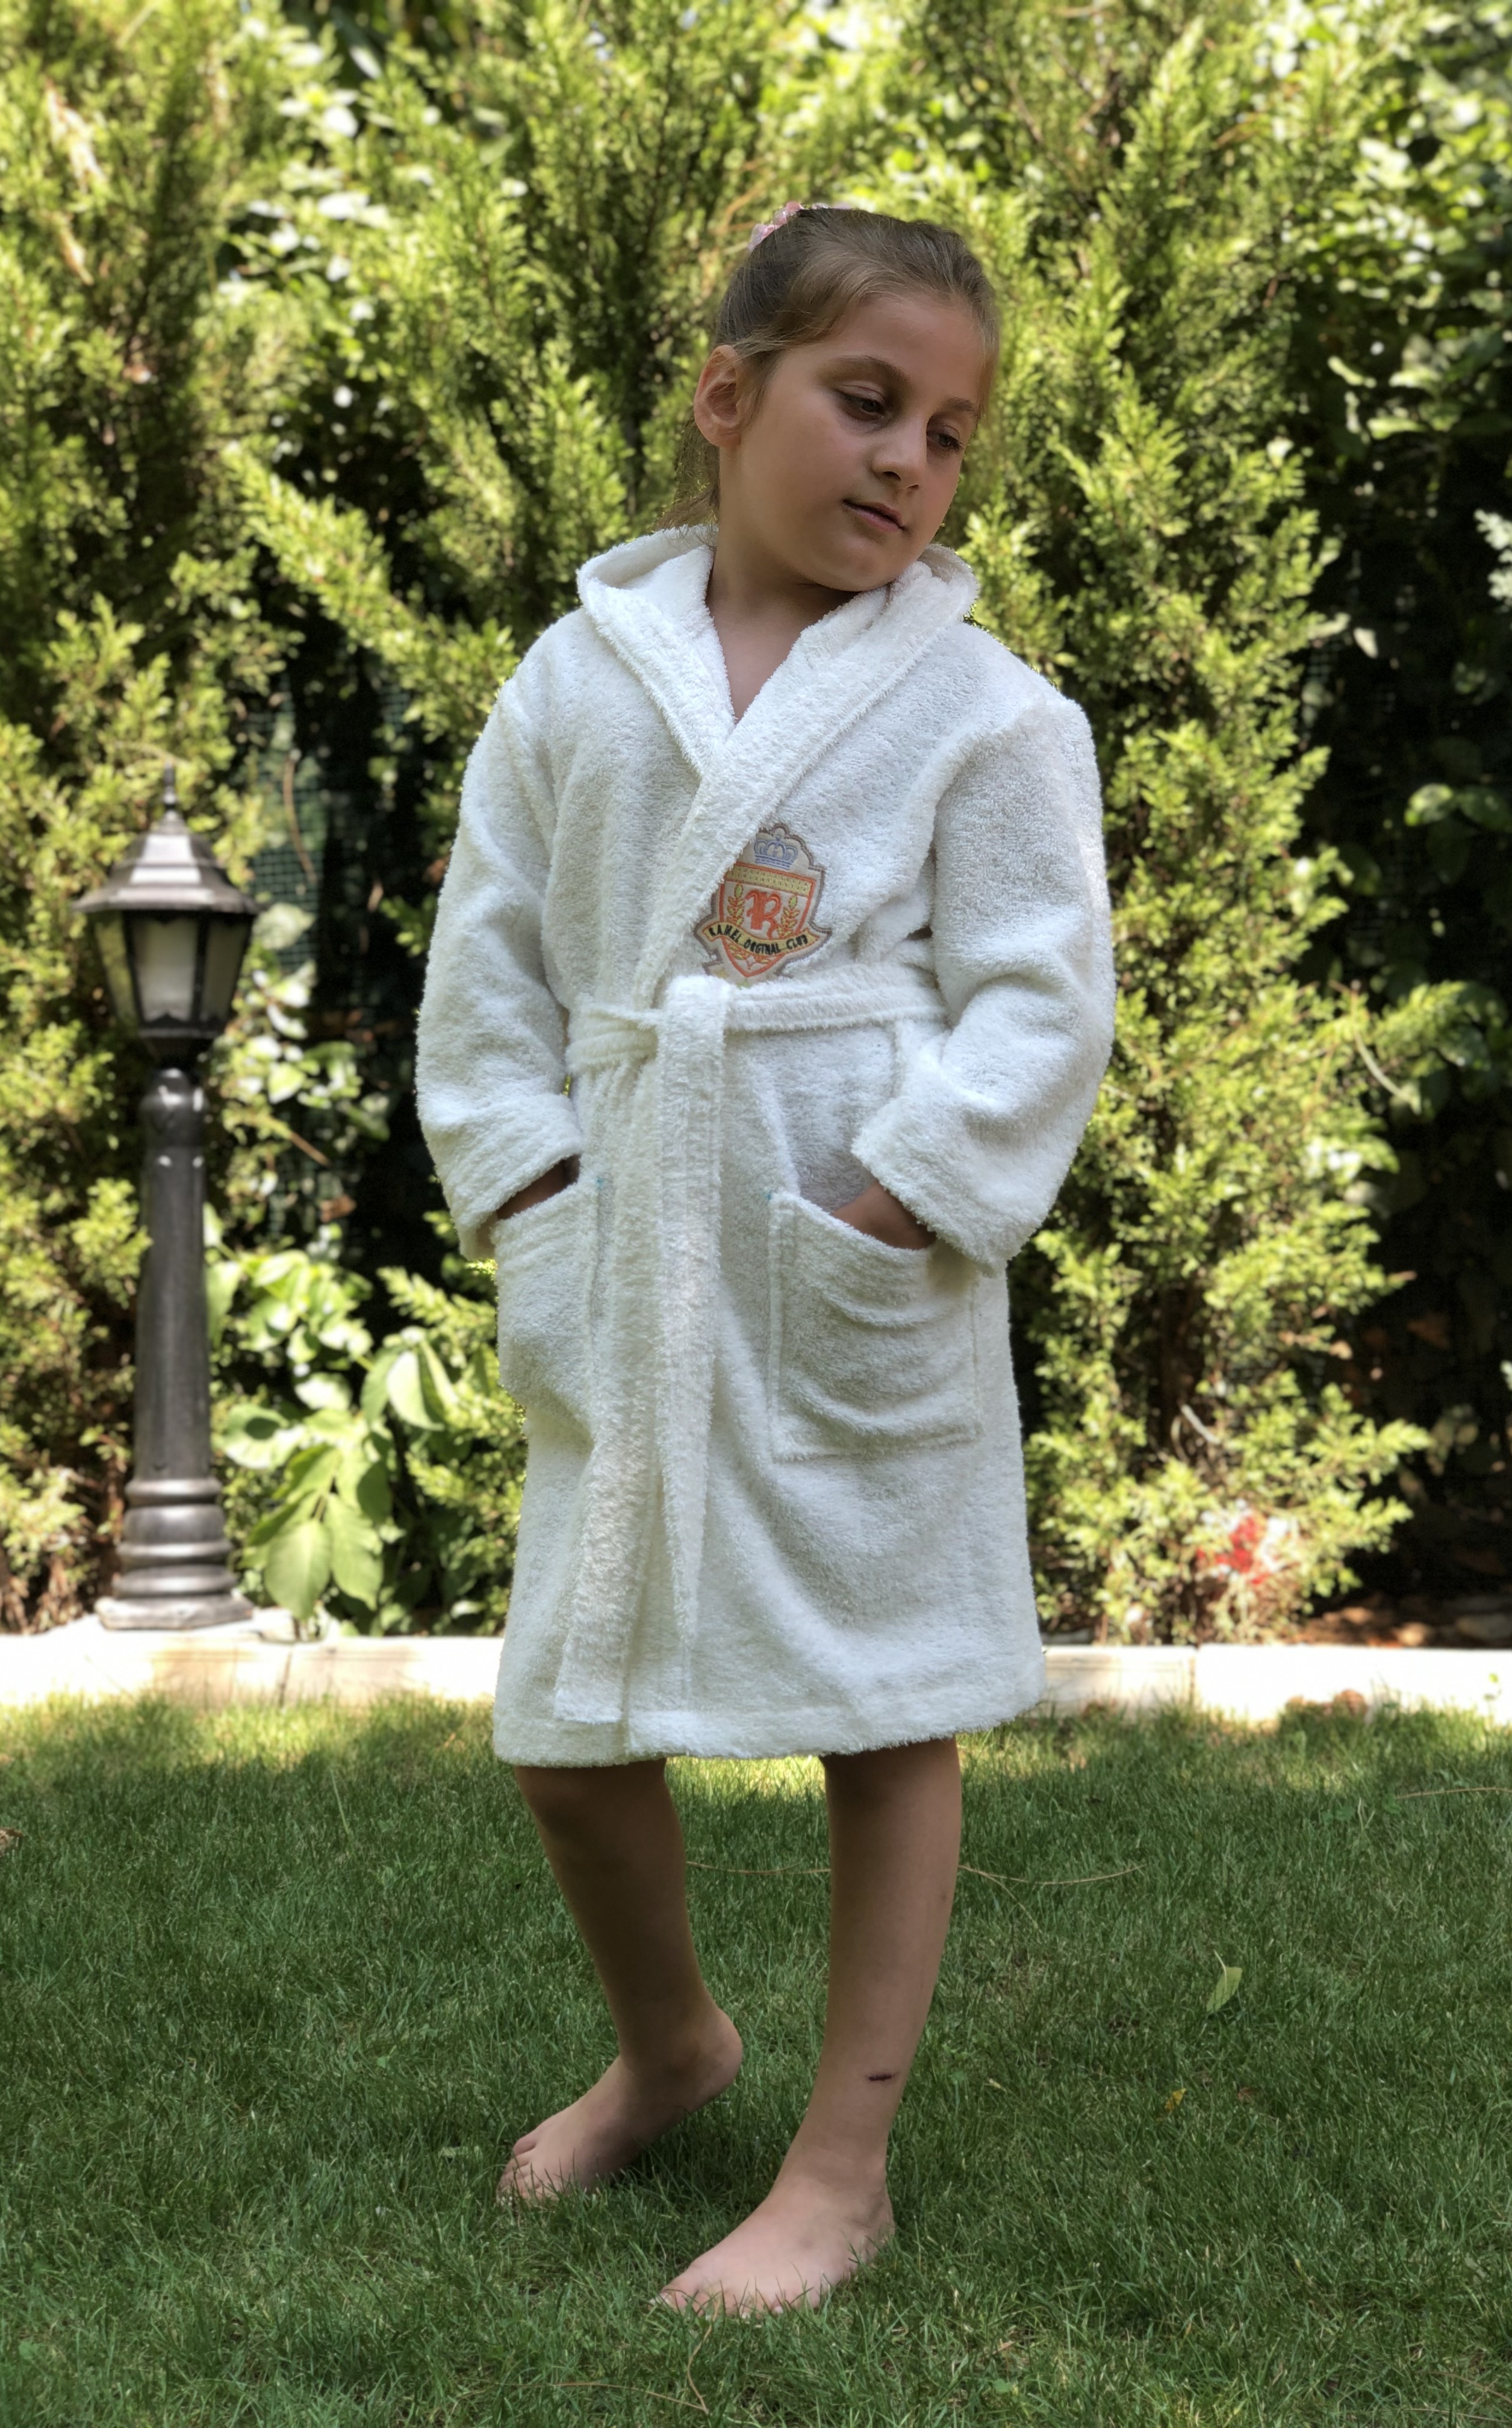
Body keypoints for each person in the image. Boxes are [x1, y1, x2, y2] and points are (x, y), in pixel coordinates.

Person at [414, 203, 1115, 2314]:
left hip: (848, 1256)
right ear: (729, 398)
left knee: (887, 1707)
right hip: (626, 1240)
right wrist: (532, 1199)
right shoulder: (574, 680)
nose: (911, 459)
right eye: (868, 400)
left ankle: (843, 2164)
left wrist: (896, 1200)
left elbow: (1041, 1006)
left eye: (953, 434)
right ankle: (672, 2048)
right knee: (565, 1721)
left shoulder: (988, 713)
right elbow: (489, 972)